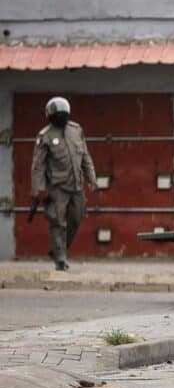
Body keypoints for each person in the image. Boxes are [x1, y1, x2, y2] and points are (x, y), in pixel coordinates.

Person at [30, 97, 97, 271]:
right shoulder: (45, 136)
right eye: (57, 114)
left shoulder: (76, 130)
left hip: (76, 185)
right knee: (57, 222)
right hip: (57, 187)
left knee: (76, 218)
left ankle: (58, 250)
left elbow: (85, 157)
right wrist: (39, 189)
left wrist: (92, 178)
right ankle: (60, 258)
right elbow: (38, 166)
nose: (60, 116)